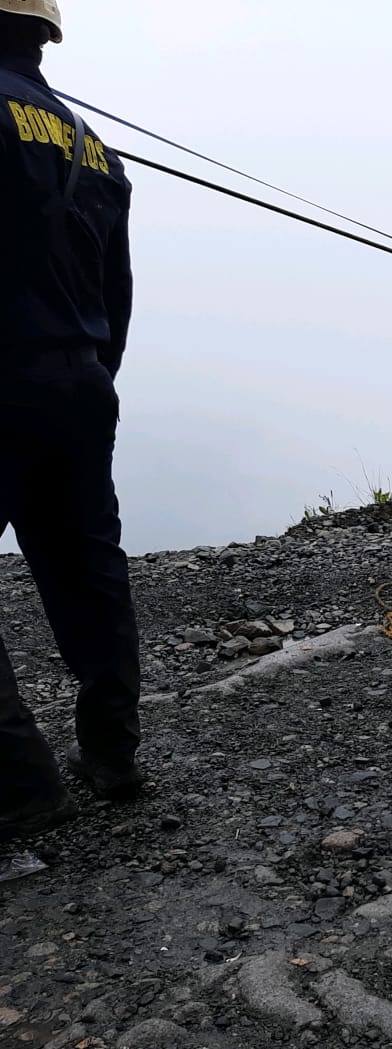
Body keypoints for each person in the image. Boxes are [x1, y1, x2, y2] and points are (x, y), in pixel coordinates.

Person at [0, 0, 144, 840]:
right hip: (82, 378)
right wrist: (90, 373)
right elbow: (115, 290)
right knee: (87, 566)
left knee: (83, 563)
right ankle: (113, 756)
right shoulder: (93, 144)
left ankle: (20, 784)